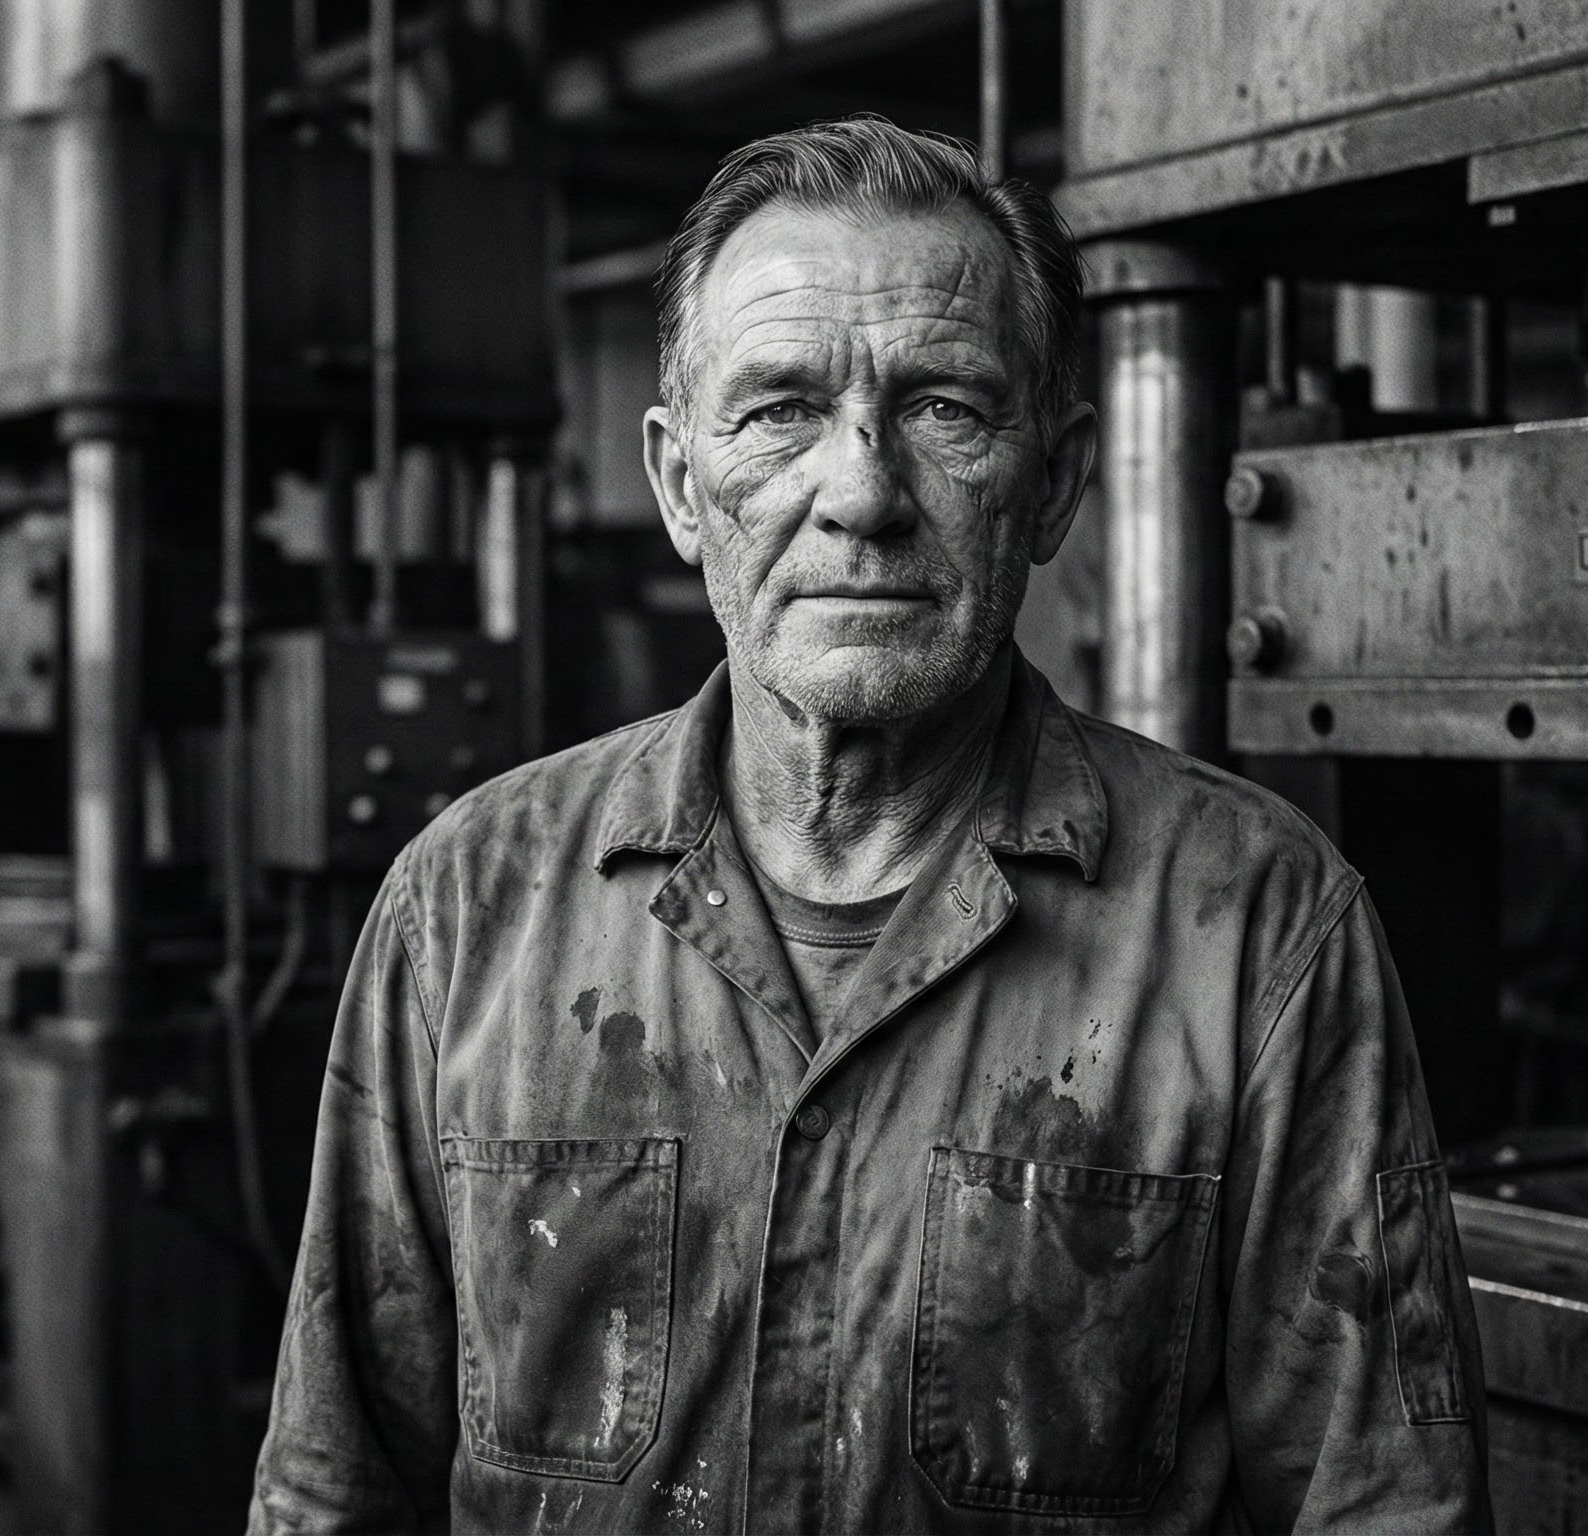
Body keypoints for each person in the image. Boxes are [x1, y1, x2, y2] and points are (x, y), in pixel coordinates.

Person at [249, 117, 1491, 1535]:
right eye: (779, 409)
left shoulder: (1259, 931)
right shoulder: (466, 910)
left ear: (1057, 482)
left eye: (944, 408)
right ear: (677, 484)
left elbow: (1385, 1506)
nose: (860, 495)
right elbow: (334, 1492)